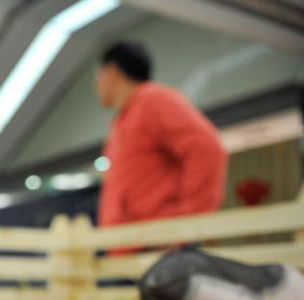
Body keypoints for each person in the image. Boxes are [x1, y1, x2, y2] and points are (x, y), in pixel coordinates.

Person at [95, 41, 227, 229]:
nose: (97, 84)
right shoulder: (122, 122)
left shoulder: (153, 101)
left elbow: (206, 149)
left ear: (112, 72)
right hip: (132, 247)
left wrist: (189, 225)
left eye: (99, 75)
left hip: (157, 245)